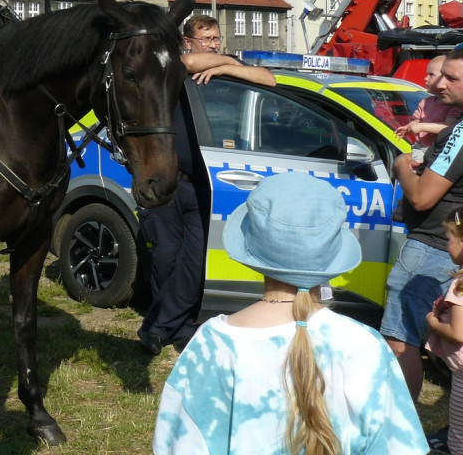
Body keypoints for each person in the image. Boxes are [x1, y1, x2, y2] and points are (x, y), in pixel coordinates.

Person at [153, 171, 427, 455]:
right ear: (333, 255)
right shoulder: (366, 346)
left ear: (251, 250)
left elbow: (178, 444)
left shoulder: (212, 345)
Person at [136, 14, 275, 356]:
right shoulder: (178, 66)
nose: (213, 44)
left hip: (207, 183)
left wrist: (229, 67)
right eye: (206, 39)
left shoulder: (224, 68)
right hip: (171, 180)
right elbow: (190, 62)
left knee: (195, 262)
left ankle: (155, 327)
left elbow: (268, 80)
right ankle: (179, 327)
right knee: (166, 258)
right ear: (188, 41)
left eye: (216, 38)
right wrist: (222, 61)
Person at [383, 47, 463, 403]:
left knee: (401, 340)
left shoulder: (459, 133)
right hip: (447, 246)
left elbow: (422, 198)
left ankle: (398, 432)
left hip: (432, 247)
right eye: (441, 73)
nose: (439, 83)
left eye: (452, 77)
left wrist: (402, 167)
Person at [425, 211, 463, 455]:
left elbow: (458, 333)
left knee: (459, 437)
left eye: (448, 238)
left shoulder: (460, 286)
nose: (446, 244)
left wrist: (432, 322)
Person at [395, 54, 462, 160]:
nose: (425, 78)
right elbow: (417, 121)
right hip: (420, 146)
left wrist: (422, 127)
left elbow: (448, 127)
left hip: (438, 150)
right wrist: (409, 127)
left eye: (431, 75)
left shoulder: (452, 106)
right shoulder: (426, 102)